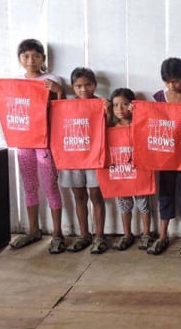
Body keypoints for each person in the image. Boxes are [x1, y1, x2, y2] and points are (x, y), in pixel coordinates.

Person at [0, 39, 66, 254]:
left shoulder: (51, 80)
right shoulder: (15, 83)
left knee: (50, 184)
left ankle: (57, 233)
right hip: (24, 141)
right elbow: (6, 104)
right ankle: (33, 230)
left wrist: (58, 91)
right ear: (20, 58)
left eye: (36, 56)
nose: (31, 60)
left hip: (44, 141)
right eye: (26, 56)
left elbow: (62, 109)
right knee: (29, 185)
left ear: (43, 58)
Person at [147, 57, 181, 255]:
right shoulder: (158, 98)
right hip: (165, 156)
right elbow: (149, 121)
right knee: (165, 194)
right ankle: (163, 235)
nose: (172, 85)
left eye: (176, 81)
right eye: (168, 81)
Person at [61, 67, 108, 254]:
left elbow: (110, 128)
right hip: (73, 158)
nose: (83, 89)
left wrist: (107, 112)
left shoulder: (102, 104)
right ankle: (84, 235)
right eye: (78, 86)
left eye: (88, 85)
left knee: (96, 196)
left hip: (94, 158)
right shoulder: (66, 107)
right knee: (79, 197)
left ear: (95, 85)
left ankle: (99, 236)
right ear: (72, 87)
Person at [107, 88, 153, 252]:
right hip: (121, 173)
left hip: (139, 172)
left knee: (143, 204)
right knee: (124, 205)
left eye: (125, 104)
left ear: (132, 105)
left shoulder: (139, 125)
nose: (120, 109)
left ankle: (146, 234)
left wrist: (138, 114)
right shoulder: (110, 128)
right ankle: (127, 234)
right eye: (116, 105)